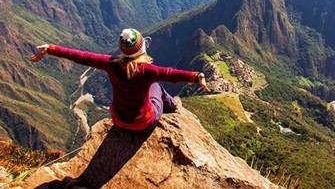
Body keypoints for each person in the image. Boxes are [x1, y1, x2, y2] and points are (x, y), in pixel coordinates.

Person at [30, 28, 211, 133]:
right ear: (142, 49)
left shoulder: (110, 64)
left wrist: (52, 49)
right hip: (143, 123)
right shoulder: (146, 70)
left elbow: (82, 56)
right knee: (156, 86)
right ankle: (173, 108)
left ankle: (170, 107)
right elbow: (169, 74)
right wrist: (196, 77)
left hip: (118, 120)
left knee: (151, 86)